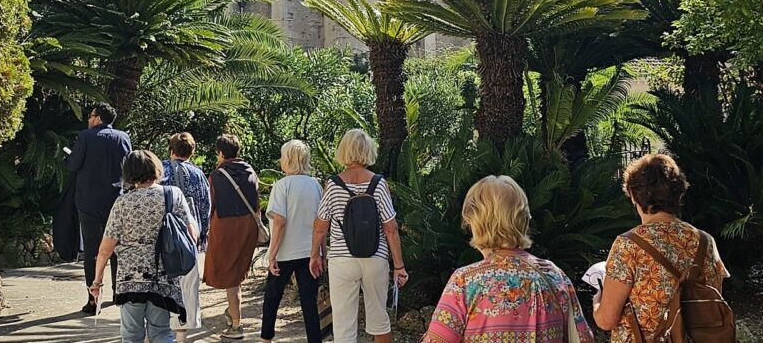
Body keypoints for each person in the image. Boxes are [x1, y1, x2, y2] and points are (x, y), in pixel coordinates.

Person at [421, 175, 594, 343]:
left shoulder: (465, 282)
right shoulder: (555, 275)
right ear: (523, 219)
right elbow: (584, 338)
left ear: (475, 221)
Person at [593, 154, 729, 342]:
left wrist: (596, 302)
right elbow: (712, 302)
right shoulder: (705, 242)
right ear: (679, 193)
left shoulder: (628, 246)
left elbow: (606, 321)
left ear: (634, 195)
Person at [90, 150, 197, 343]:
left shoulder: (123, 202)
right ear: (155, 168)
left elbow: (105, 249)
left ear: (129, 173)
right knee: (161, 332)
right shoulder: (173, 195)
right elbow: (192, 235)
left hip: (130, 278)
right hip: (163, 276)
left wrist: (97, 282)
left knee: (131, 335)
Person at [312, 129, 407, 343]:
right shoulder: (379, 183)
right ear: (368, 150)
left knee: (344, 325)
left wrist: (314, 255)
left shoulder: (333, 184)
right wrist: (399, 266)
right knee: (380, 320)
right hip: (375, 258)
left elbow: (320, 226)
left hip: (342, 260)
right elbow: (390, 228)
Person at [67, 102, 132, 313]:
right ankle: (117, 293)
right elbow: (129, 168)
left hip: (88, 201)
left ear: (98, 118)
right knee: (115, 249)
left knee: (93, 251)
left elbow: (74, 165)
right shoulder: (123, 138)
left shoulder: (86, 136)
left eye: (90, 116)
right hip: (115, 201)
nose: (88, 119)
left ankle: (93, 299)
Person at [262, 140, 325, 343]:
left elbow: (279, 221)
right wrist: (323, 251)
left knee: (272, 297)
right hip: (310, 252)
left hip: (285, 252)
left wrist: (272, 254)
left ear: (287, 159)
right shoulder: (315, 184)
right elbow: (322, 222)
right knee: (309, 302)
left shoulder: (281, 186)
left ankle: (266, 338)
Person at [204, 134, 262, 340]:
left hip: (225, 227)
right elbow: (256, 201)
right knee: (237, 274)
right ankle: (232, 312)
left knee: (230, 278)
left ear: (220, 153)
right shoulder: (250, 171)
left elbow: (210, 205)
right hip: (247, 227)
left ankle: (237, 325)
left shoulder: (217, 175)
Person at [160, 132, 211, 343]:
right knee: (188, 285)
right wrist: (203, 234)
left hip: (163, 235)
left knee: (162, 282)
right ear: (192, 151)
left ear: (171, 150)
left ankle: (158, 329)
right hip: (190, 235)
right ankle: (181, 333)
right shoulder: (197, 174)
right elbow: (205, 206)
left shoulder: (159, 169)